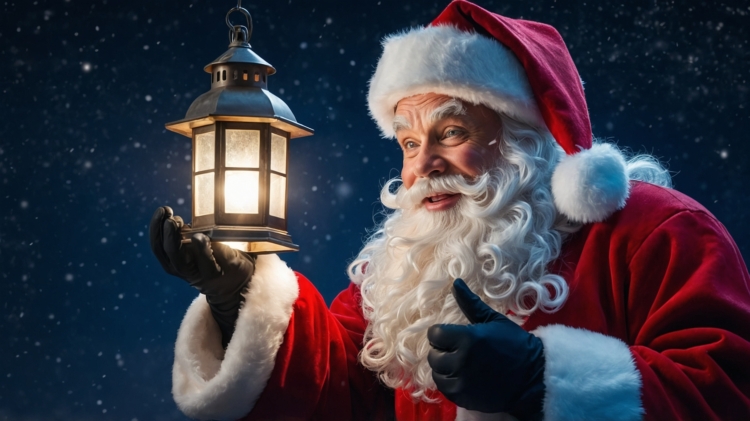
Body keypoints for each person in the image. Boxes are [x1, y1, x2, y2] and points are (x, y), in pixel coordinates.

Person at [150, 1, 750, 420]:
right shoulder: (406, 264)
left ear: (524, 143)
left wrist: (544, 379)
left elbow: (726, 388)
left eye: (452, 131)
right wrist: (240, 300)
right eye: (409, 142)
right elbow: (336, 391)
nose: (423, 164)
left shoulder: (655, 229)